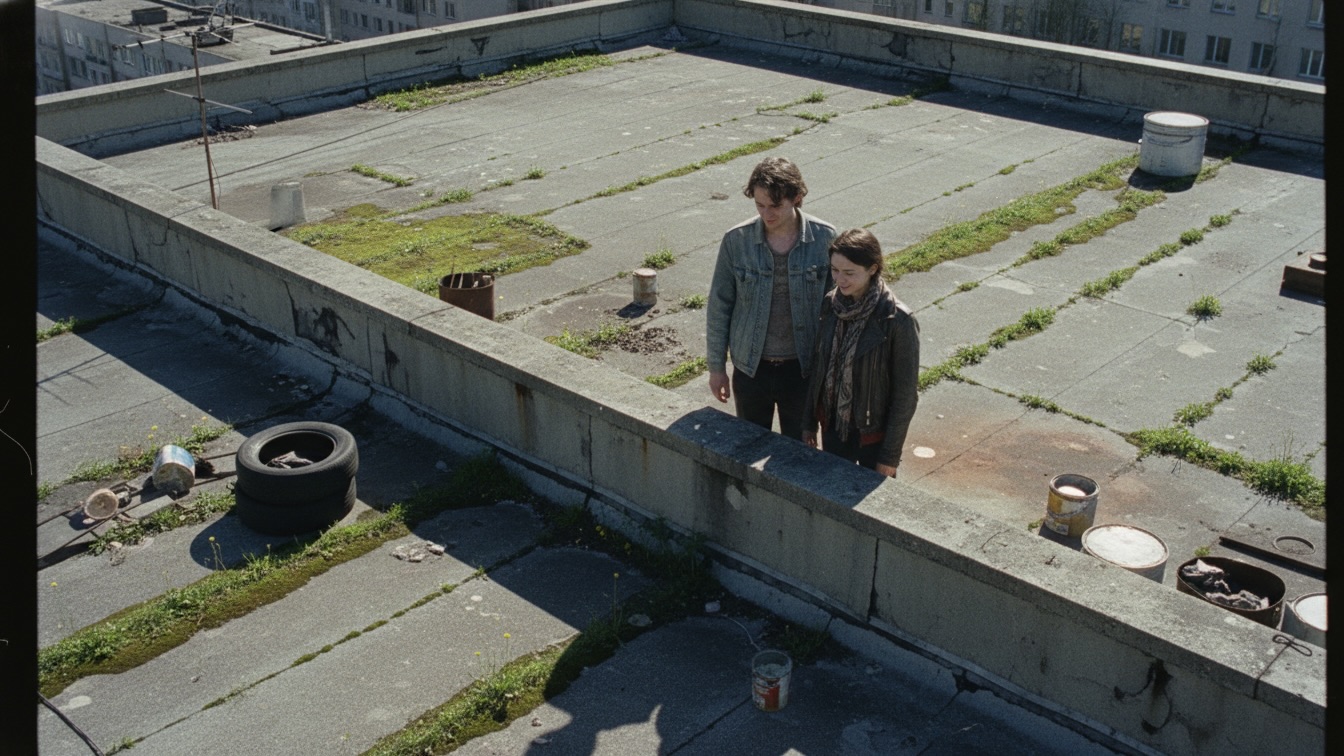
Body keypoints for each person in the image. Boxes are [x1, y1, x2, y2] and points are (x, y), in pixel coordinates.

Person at [705, 157, 837, 439]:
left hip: (801, 370)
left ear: (797, 198)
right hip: (751, 369)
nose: (767, 213)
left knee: (799, 455)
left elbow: (836, 310)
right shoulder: (736, 241)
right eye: (759, 205)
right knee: (749, 447)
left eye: (775, 206)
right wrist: (717, 369)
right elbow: (719, 307)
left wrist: (830, 372)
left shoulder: (824, 238)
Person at [803, 228, 920, 477]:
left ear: (873, 269)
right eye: (835, 270)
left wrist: (889, 458)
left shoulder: (898, 320)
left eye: (849, 273)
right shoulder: (830, 303)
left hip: (873, 436)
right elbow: (819, 365)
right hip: (835, 426)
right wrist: (809, 423)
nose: (840, 280)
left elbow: (905, 397)